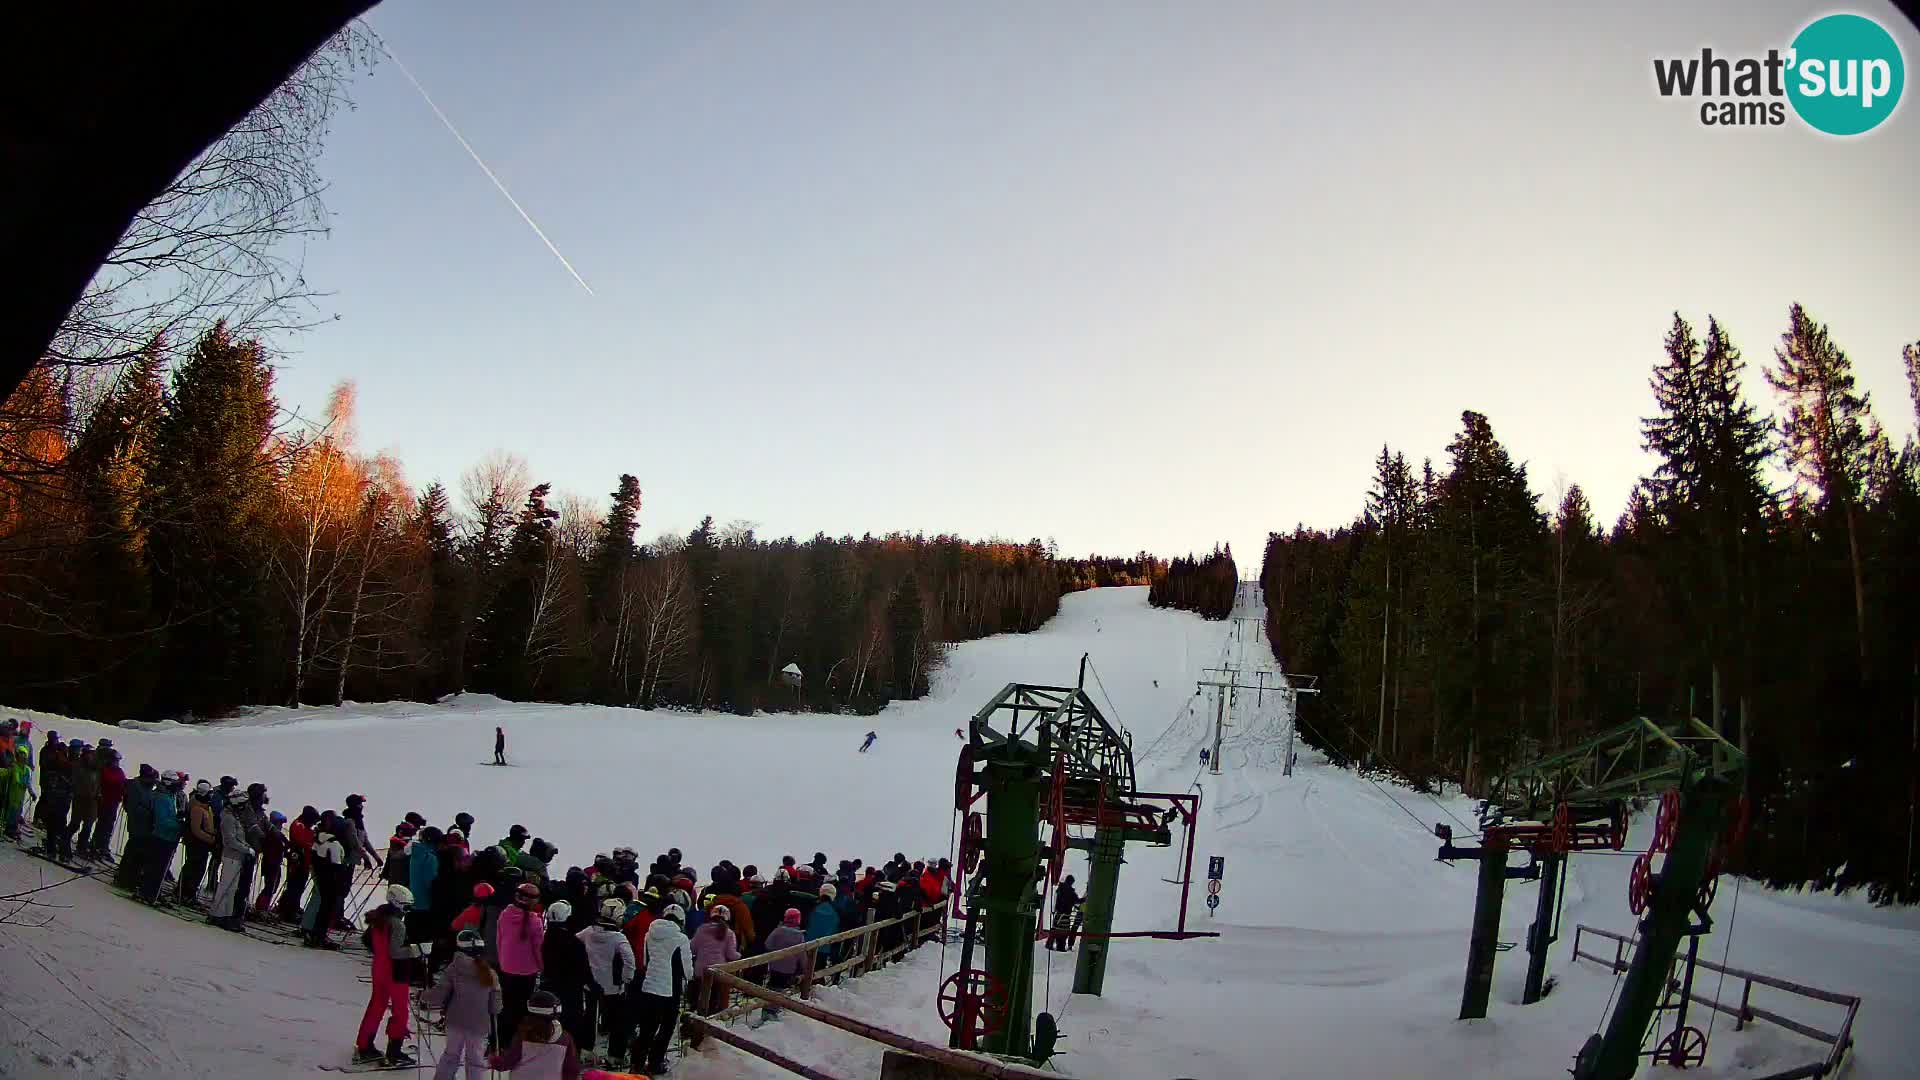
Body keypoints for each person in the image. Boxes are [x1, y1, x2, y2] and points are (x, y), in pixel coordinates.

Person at [355, 883, 423, 1067]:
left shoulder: (379, 918)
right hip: (395, 972)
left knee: (376, 1006)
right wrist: (417, 951)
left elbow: (367, 940)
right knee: (400, 1011)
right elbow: (396, 952)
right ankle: (394, 1051)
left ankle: (364, 1045)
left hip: (379, 968)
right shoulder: (397, 925)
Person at [424, 929, 501, 1080]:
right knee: (476, 1061)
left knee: (451, 1055)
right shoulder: (490, 972)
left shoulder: (454, 968)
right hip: (479, 1024)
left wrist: (425, 996)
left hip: (455, 1021)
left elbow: (439, 994)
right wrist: (493, 1011)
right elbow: (496, 1004)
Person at [632, 904, 691, 1075]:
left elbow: (644, 961)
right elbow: (687, 970)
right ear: (681, 920)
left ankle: (637, 1064)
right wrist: (690, 977)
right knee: (666, 1027)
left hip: (649, 985)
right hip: (670, 989)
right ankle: (655, 1062)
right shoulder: (681, 938)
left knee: (646, 1029)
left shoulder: (649, 934)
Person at [580, 898, 638, 1064]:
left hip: (591, 984)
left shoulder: (588, 932)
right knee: (618, 1021)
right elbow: (629, 960)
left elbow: (575, 941)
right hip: (613, 986)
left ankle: (586, 1050)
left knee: (590, 1017)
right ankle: (615, 1055)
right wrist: (627, 978)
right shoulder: (618, 938)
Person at [488, 990, 581, 1080]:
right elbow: (572, 1069)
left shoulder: (523, 1034)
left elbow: (508, 1061)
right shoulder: (565, 1038)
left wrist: (494, 1061)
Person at [496, 881, 547, 1040]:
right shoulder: (535, 922)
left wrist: (502, 959)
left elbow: (499, 939)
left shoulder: (505, 914)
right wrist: (542, 967)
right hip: (527, 971)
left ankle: (500, 1039)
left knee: (507, 1005)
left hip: (506, 967)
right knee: (521, 1007)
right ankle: (517, 1040)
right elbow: (538, 949)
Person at [539, 900, 589, 1053]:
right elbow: (583, 968)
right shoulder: (574, 942)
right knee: (571, 1023)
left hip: (550, 986)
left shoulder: (545, 938)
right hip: (570, 990)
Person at [137, 771, 186, 904]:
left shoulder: (170, 796)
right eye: (175, 783)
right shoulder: (162, 798)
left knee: (160, 868)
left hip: (169, 837)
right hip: (161, 837)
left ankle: (152, 892)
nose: (178, 786)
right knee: (156, 867)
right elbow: (162, 821)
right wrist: (179, 825)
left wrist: (179, 819)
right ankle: (147, 893)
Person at [759, 908, 813, 1022]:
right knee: (781, 989)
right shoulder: (799, 936)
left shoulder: (778, 931)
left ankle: (767, 1010)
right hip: (789, 968)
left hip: (774, 966)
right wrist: (805, 968)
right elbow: (801, 955)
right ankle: (772, 1011)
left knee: (772, 986)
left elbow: (768, 944)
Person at [688, 902, 740, 1016]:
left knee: (698, 998)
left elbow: (692, 948)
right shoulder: (729, 933)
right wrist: (739, 955)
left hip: (700, 970)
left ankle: (693, 1018)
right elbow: (731, 954)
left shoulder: (701, 929)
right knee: (713, 1000)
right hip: (718, 972)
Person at [114, 763, 159, 890]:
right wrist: (150, 812)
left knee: (139, 854)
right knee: (133, 852)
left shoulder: (147, 788)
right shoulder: (136, 787)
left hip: (145, 827)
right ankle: (124, 878)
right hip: (137, 825)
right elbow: (134, 808)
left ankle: (132, 877)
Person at [276, 806, 320, 921]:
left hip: (304, 862)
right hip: (297, 861)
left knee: (299, 887)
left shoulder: (306, 827)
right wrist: (313, 844)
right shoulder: (298, 825)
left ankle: (292, 908)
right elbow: (302, 842)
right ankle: (287, 911)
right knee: (294, 886)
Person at [177, 780, 217, 905]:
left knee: (198, 868)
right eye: (209, 794)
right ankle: (185, 892)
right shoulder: (197, 808)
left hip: (202, 843)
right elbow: (196, 830)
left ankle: (189, 892)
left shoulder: (205, 807)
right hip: (196, 843)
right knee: (193, 868)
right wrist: (211, 839)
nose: (211, 796)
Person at [35, 736, 73, 862]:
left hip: (58, 798)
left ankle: (54, 851)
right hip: (58, 798)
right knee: (58, 825)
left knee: (55, 825)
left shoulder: (61, 763)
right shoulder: (60, 763)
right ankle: (59, 852)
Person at [85, 747, 126, 860]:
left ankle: (103, 846)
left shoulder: (119, 771)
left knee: (108, 825)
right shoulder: (104, 770)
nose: (116, 763)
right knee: (100, 824)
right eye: (115, 760)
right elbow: (100, 783)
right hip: (103, 801)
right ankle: (94, 845)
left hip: (113, 802)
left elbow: (122, 783)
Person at [253, 810, 287, 914]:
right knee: (270, 886)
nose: (281, 825)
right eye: (279, 823)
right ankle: (261, 907)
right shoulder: (271, 834)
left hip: (274, 863)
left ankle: (263, 906)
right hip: (271, 863)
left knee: (272, 886)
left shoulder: (277, 834)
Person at [1049, 875, 1082, 951]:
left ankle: (1050, 944)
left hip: (1058, 913)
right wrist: (1085, 899)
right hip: (1065, 915)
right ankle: (1061, 947)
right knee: (1063, 933)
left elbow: (1063, 900)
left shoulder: (1060, 889)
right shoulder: (1070, 892)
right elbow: (1076, 900)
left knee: (1055, 930)